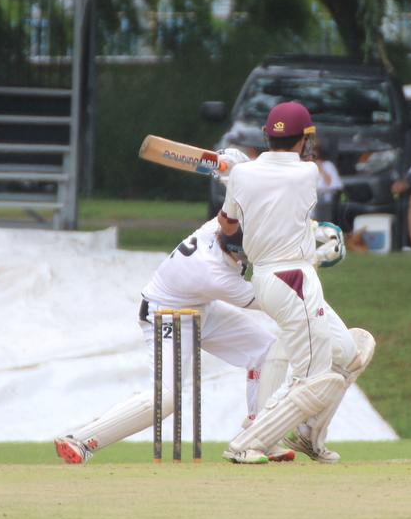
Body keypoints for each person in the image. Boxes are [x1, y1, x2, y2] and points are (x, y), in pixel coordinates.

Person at [53, 217, 291, 464]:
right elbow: (281, 301)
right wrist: (312, 261)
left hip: (201, 305)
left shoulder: (217, 228)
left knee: (268, 351)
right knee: (166, 398)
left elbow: (238, 205)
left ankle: (259, 437)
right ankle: (80, 440)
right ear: (241, 250)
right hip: (165, 315)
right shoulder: (214, 275)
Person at [217, 101, 357, 465]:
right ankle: (248, 441)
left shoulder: (242, 176)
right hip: (293, 279)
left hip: (266, 277)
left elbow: (227, 227)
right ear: (305, 139)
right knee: (311, 377)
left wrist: (233, 175)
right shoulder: (307, 173)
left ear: (267, 135)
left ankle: (310, 435)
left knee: (349, 353)